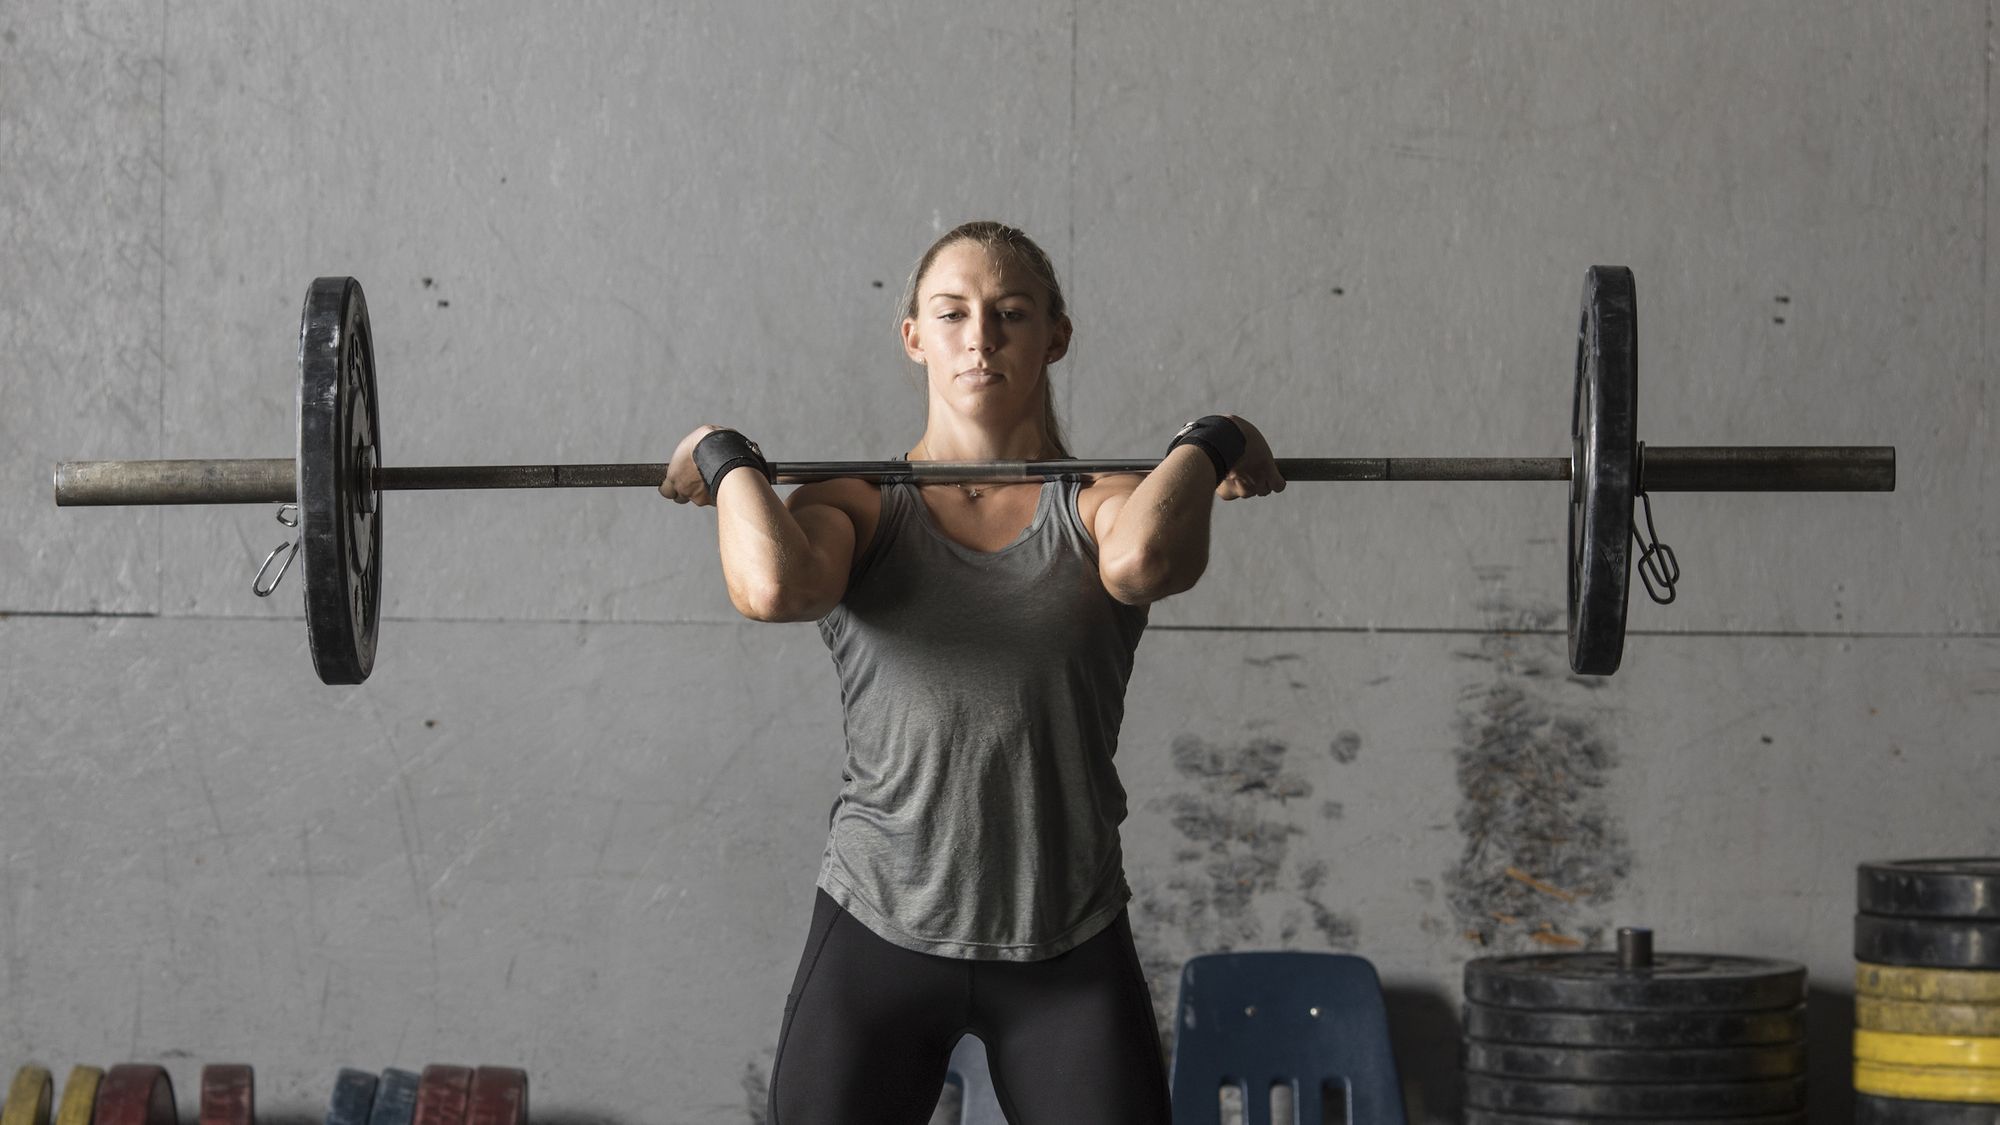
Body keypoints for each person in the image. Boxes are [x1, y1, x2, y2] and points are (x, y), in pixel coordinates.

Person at [661, 221, 1284, 1125]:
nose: (980, 337)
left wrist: (1211, 436)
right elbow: (773, 585)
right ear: (914, 335)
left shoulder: (1103, 501)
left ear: (1055, 337)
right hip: (878, 932)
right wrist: (724, 453)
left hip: (1065, 941)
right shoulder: (857, 505)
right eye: (952, 313)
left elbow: (1146, 559)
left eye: (1011, 313)